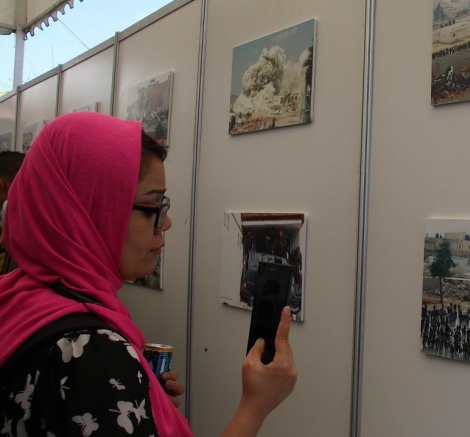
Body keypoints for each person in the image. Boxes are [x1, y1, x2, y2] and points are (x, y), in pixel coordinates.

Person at [0, 113, 296, 436]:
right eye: (153, 207)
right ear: (88, 210)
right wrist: (255, 405)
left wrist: (137, 393)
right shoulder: (89, 352)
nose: (165, 222)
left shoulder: (17, 299)